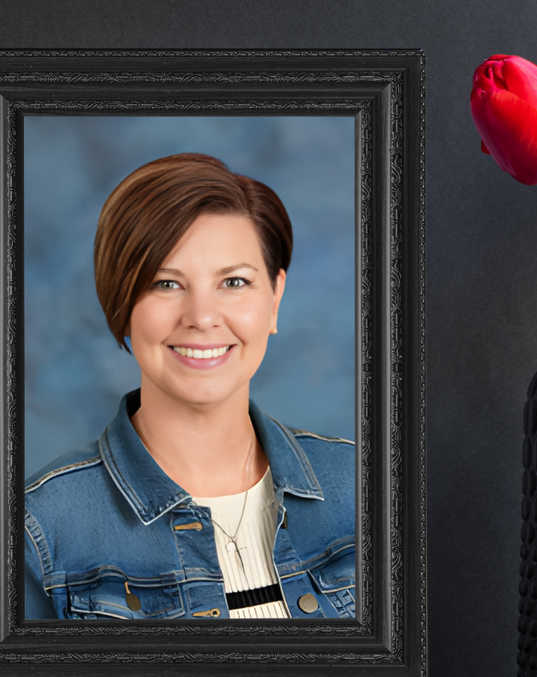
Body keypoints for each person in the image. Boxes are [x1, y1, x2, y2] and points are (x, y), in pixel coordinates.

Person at [24, 153, 356, 620]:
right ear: (121, 301)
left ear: (275, 298)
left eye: (234, 282)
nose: (201, 317)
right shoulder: (39, 531)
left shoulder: (365, 489)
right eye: (166, 284)